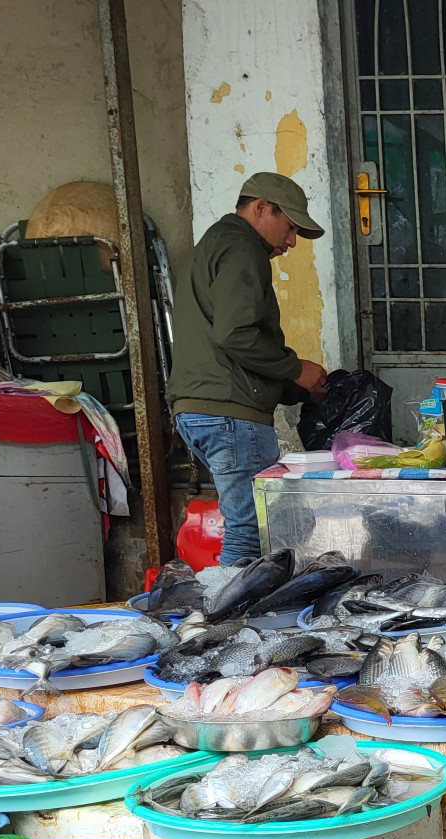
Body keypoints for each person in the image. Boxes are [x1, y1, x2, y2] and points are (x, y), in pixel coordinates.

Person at [168, 172, 328, 564]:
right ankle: (225, 619)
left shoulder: (216, 243)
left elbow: (228, 339)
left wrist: (294, 387)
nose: (290, 242)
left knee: (277, 520)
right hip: (229, 412)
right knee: (252, 530)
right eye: (289, 228)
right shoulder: (243, 248)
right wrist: (295, 370)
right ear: (261, 208)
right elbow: (235, 334)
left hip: (203, 407)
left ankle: (240, 609)